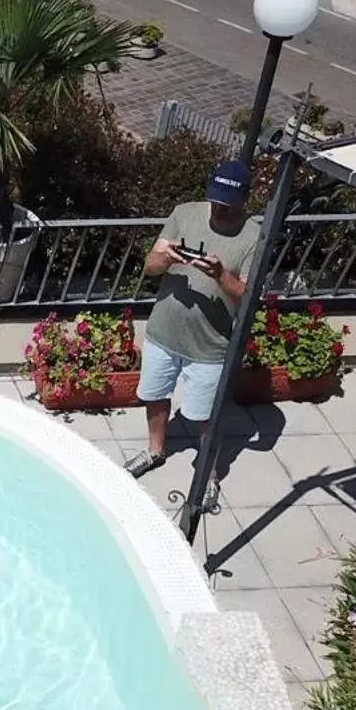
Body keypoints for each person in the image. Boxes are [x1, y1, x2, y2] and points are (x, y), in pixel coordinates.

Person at [124, 159, 263, 478]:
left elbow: (248, 296)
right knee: (156, 397)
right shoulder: (184, 213)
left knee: (204, 416)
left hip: (210, 346)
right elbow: (150, 266)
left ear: (244, 200)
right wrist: (164, 258)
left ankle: (208, 473)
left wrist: (220, 275)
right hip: (164, 333)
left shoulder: (254, 237)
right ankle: (154, 451)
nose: (218, 210)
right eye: (215, 202)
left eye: (227, 205)